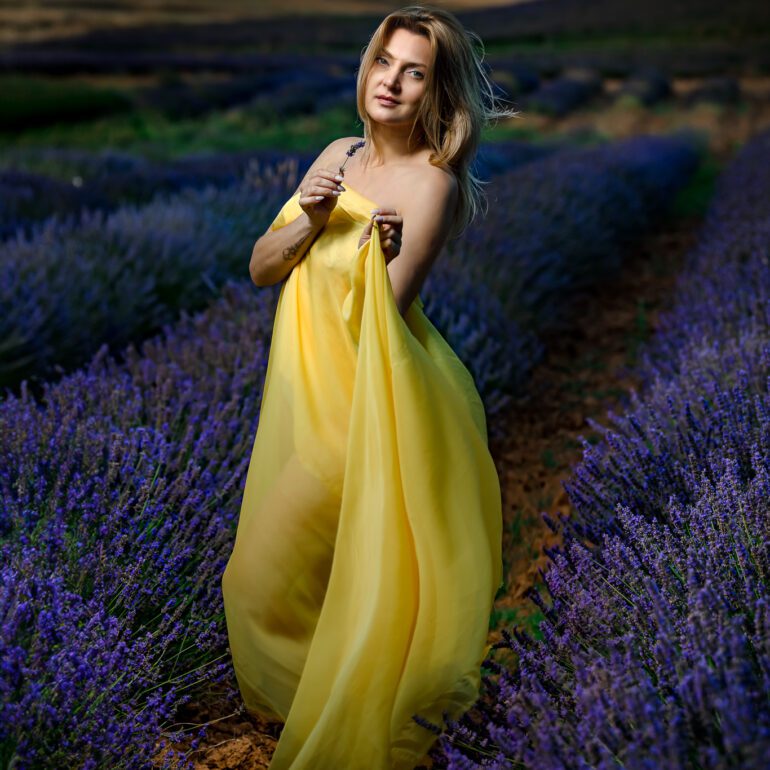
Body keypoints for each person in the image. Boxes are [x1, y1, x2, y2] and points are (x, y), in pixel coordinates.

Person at [221, 5, 517, 768]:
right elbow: (262, 266)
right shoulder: (339, 151)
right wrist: (314, 220)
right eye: (385, 61)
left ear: (436, 91)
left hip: (361, 412)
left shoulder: (432, 185)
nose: (392, 81)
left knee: (262, 577)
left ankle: (350, 732)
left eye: (414, 71)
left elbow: (382, 313)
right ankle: (333, 710)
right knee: (264, 586)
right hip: (303, 401)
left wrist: (363, 252)